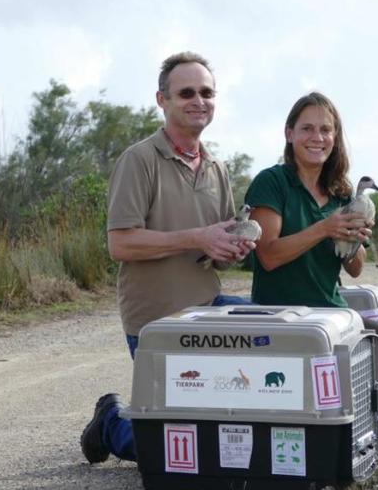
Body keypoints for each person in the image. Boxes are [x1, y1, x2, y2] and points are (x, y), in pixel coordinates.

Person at [80, 51, 255, 464]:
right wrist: (197, 236)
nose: (199, 100)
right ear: (162, 100)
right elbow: (120, 244)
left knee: (268, 333)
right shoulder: (139, 160)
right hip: (157, 322)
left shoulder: (217, 168)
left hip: (208, 312)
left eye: (207, 92)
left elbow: (214, 252)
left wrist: (231, 249)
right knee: (173, 449)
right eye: (186, 92)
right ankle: (112, 423)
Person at [244, 91, 378, 399]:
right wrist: (325, 228)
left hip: (332, 313)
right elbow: (269, 256)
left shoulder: (342, 192)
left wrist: (354, 239)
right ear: (290, 134)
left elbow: (354, 269)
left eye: (326, 130)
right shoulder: (272, 182)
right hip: (281, 318)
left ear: (335, 137)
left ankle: (360, 418)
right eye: (307, 128)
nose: (317, 137)